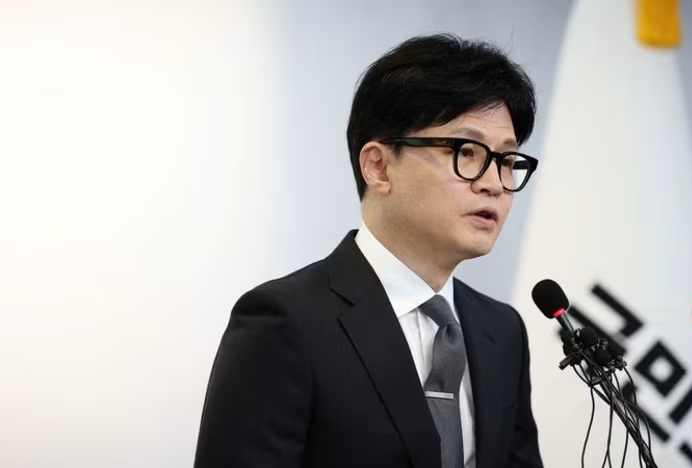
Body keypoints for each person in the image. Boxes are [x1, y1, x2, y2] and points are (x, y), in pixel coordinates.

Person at [194, 33, 544, 468]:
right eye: (466, 152)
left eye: (507, 161)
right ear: (378, 166)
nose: (494, 184)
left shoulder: (503, 331)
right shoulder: (286, 324)